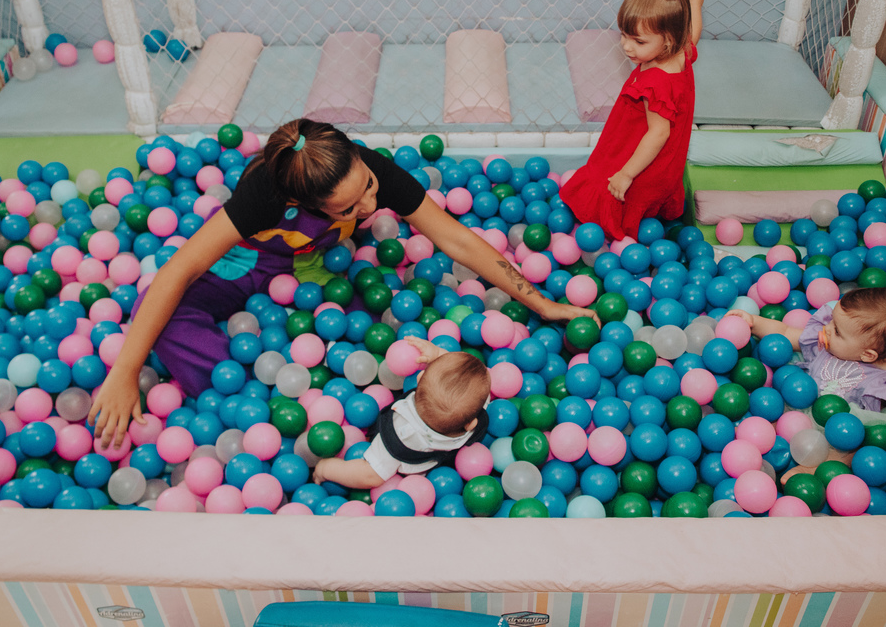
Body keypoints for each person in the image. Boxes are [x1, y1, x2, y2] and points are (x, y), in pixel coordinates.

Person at [89, 119, 596, 448]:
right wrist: (124, 371)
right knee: (158, 313)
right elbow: (179, 268)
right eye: (349, 209)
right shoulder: (262, 194)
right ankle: (245, 409)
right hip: (255, 260)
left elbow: (456, 240)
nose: (371, 208)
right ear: (305, 205)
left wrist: (542, 302)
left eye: (368, 190)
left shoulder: (371, 167)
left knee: (373, 329)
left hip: (321, 268)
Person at [728, 287, 886, 477]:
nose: (827, 328)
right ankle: (752, 439)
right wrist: (754, 322)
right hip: (799, 408)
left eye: (837, 330)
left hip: (838, 429)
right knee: (770, 413)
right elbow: (786, 332)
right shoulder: (825, 343)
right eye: (832, 321)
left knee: (853, 446)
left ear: (867, 355)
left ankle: (817, 469)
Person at [560, 0, 705, 241]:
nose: (627, 46)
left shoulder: (655, 83)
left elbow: (658, 134)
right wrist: (695, 2)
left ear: (668, 40)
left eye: (638, 41)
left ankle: (615, 230)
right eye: (624, 36)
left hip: (640, 154)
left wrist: (626, 174)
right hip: (661, 156)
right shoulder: (679, 53)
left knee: (612, 185)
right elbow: (692, 35)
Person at [313, 337, 489, 488]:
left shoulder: (400, 439)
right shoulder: (474, 409)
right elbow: (466, 384)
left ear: (419, 379)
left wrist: (326, 469)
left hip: (402, 454)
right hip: (435, 457)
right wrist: (438, 355)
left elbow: (369, 475)